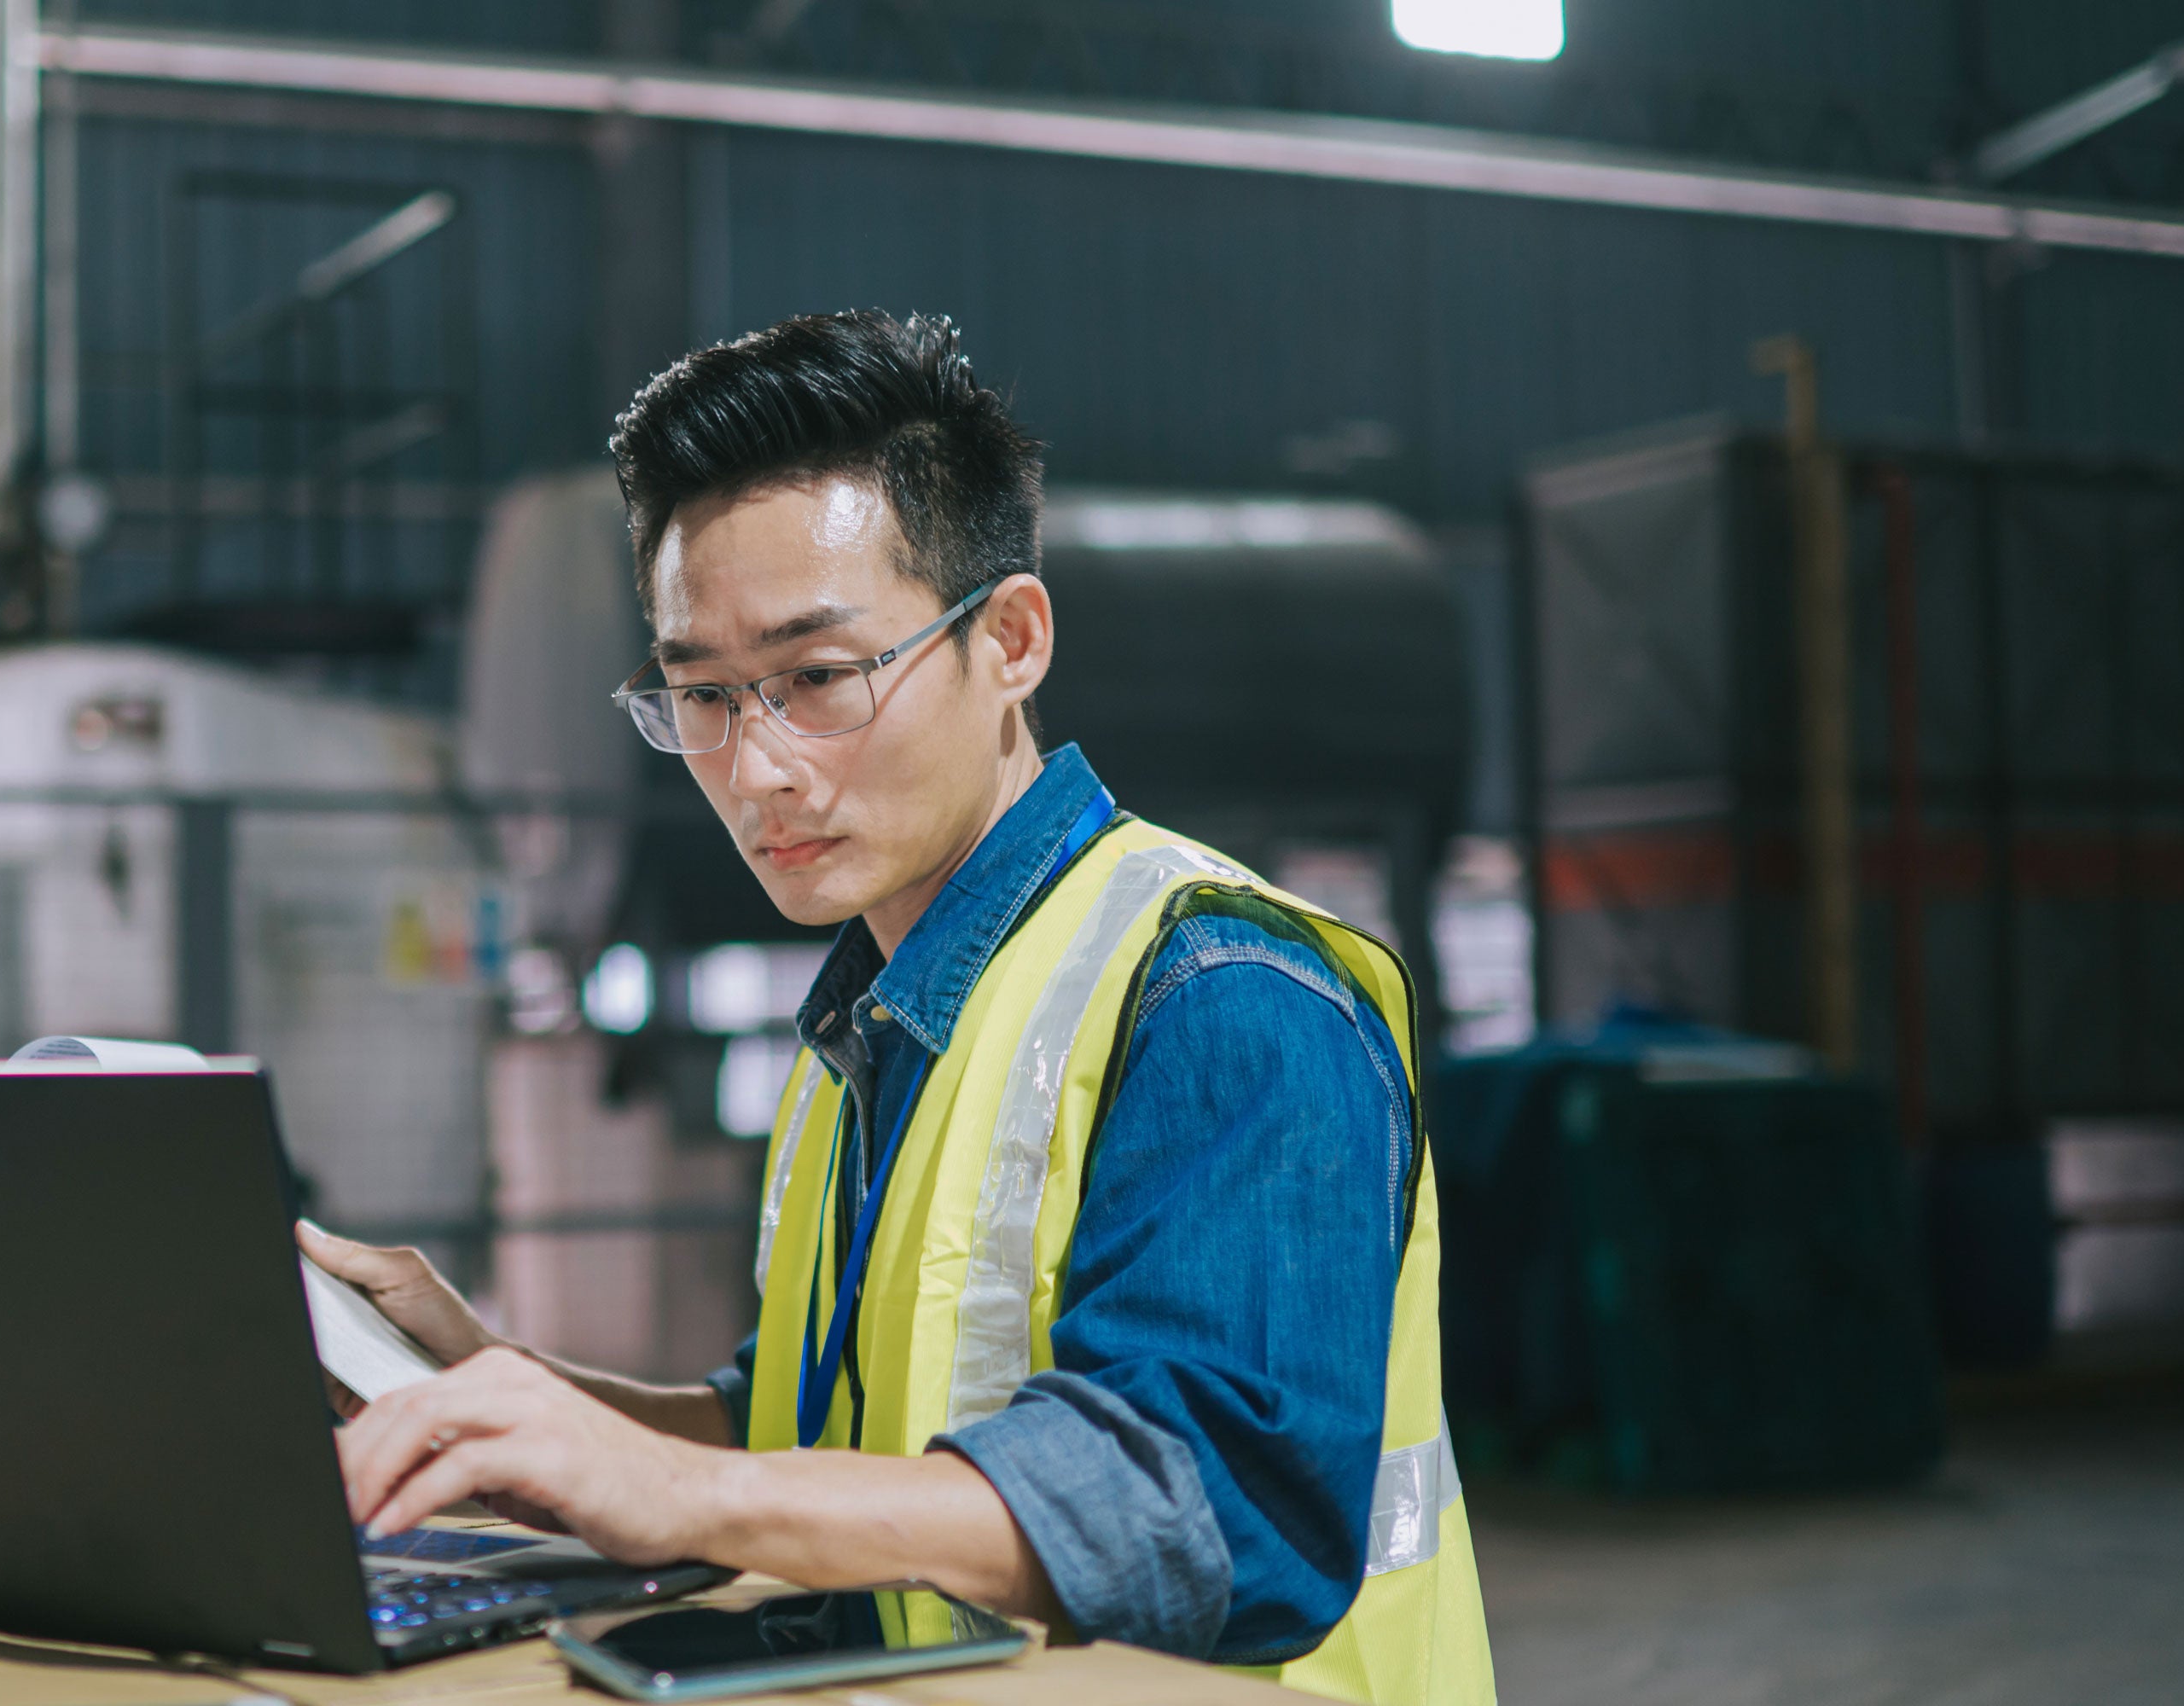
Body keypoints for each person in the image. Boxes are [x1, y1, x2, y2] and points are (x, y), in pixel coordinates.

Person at [301, 310, 1492, 1703]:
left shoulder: (1222, 995)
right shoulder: (870, 1026)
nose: (757, 772)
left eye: (817, 680)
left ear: (1013, 639)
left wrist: (680, 1496)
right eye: (702, 696)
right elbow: (800, 1428)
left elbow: (1213, 1508)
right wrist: (499, 1387)